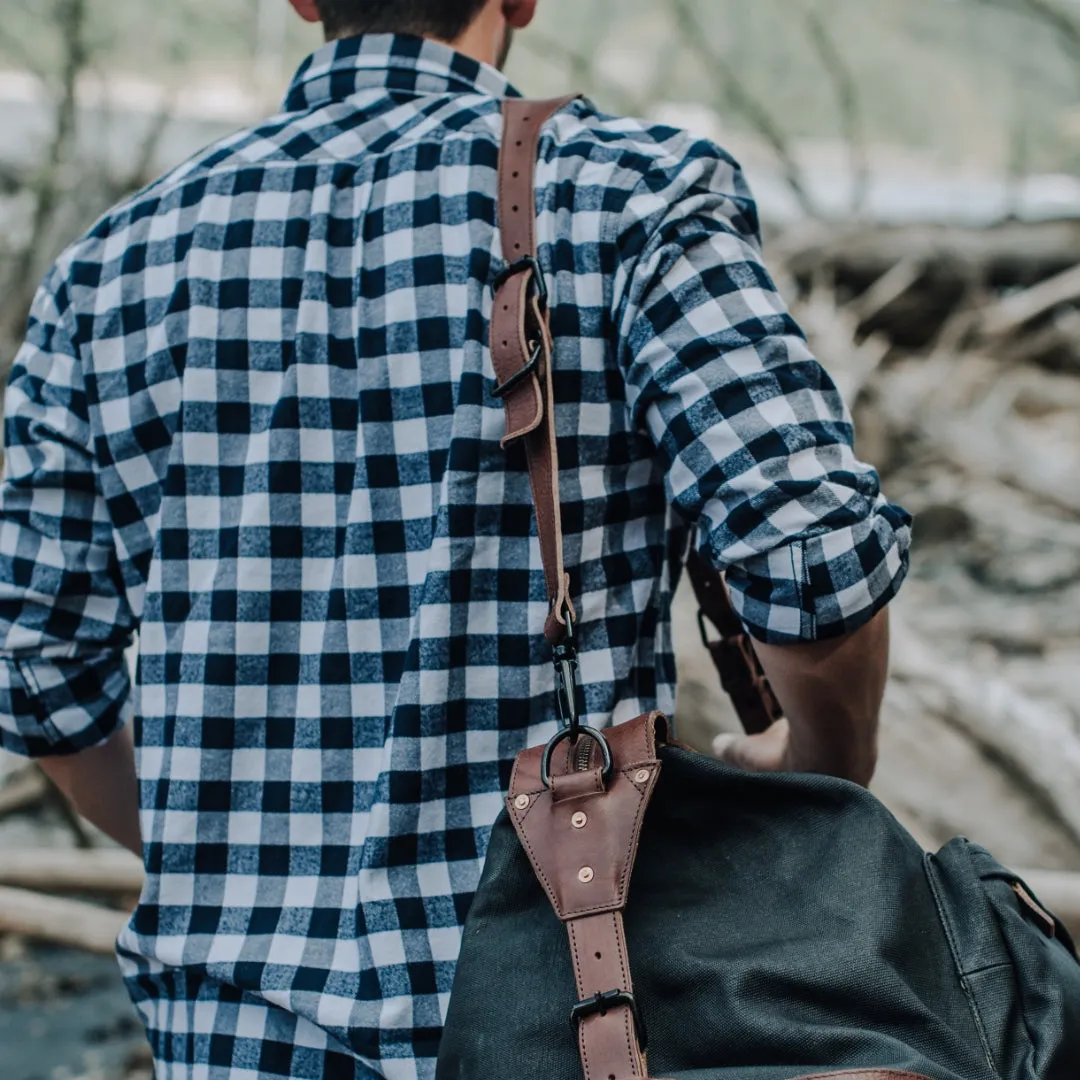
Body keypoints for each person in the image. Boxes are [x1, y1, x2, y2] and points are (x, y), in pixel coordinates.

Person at [0, 1, 911, 1077]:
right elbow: (812, 560)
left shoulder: (109, 267)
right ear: (521, 0)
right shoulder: (627, 194)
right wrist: (821, 780)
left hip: (230, 1037)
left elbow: (40, 673)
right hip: (571, 1009)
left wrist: (225, 864)